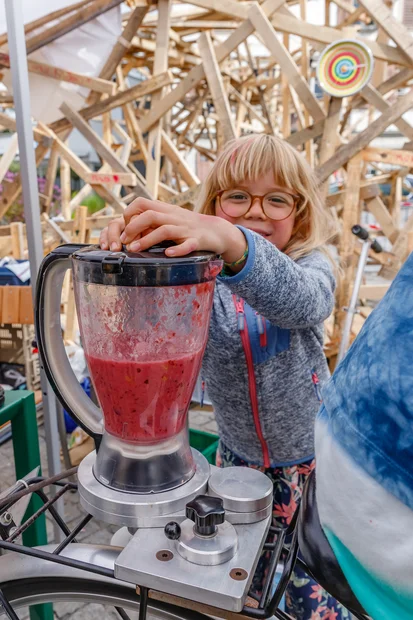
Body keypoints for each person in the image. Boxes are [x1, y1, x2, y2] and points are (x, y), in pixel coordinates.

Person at [100, 134, 345, 619]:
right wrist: (136, 253)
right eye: (237, 196)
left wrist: (236, 243)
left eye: (277, 199)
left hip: (312, 466)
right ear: (210, 207)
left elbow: (302, 301)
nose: (256, 211)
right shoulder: (197, 275)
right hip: (237, 464)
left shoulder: (313, 264)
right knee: (240, 586)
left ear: (301, 213)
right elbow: (154, 327)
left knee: (314, 586)